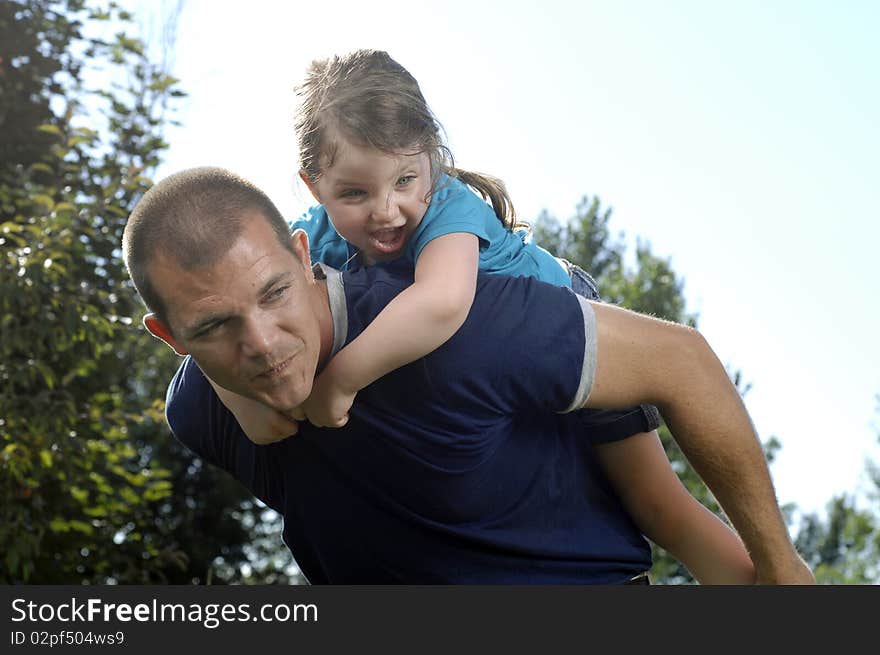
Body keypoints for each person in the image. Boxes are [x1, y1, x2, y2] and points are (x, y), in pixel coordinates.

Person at [202, 49, 756, 582]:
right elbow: (230, 307)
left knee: (655, 503)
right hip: (509, 384)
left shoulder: (449, 207)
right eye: (353, 193)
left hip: (570, 316)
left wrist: (342, 380)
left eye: (404, 180)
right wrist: (239, 394)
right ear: (311, 185)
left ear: (430, 156)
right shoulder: (310, 236)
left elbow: (440, 304)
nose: (386, 209)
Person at [122, 166, 814, 584]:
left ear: (304, 255)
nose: (263, 344)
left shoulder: (456, 329)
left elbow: (683, 361)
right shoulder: (199, 414)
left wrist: (780, 566)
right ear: (170, 337)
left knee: (665, 504)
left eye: (274, 293)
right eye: (214, 327)